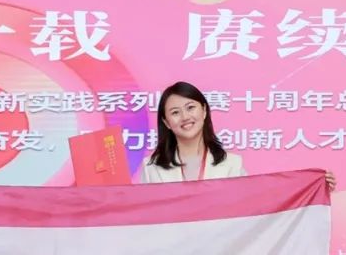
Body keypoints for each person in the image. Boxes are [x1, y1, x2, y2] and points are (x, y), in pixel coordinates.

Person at [140, 81, 336, 190]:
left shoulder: (232, 164)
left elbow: (256, 203)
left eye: (190, 107)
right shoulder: (151, 167)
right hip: (172, 251)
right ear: (166, 122)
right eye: (175, 112)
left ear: (204, 111)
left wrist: (314, 187)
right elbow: (142, 216)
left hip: (220, 250)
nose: (185, 117)